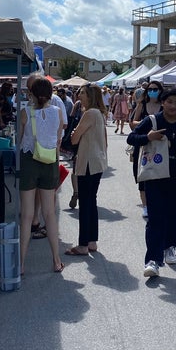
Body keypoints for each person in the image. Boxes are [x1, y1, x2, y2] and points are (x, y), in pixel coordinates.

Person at [127, 88, 176, 277]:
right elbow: (132, 138)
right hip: (154, 176)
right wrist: (148, 137)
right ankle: (153, 259)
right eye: (169, 101)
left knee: (173, 216)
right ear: (162, 103)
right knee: (155, 218)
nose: (173, 105)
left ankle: (170, 246)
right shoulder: (152, 121)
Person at [18, 77, 65, 275]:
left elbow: (19, 140)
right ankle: (56, 260)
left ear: (31, 94)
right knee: (50, 213)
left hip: (30, 161)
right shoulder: (57, 113)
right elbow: (58, 140)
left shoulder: (25, 113)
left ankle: (20, 265)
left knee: (28, 215)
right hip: (50, 161)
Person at [65, 84, 108, 256]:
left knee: (85, 202)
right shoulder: (99, 113)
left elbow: (74, 139)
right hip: (96, 162)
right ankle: (91, 241)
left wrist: (76, 132)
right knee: (91, 201)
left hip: (88, 162)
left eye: (82, 93)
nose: (79, 95)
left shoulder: (89, 113)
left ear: (90, 96)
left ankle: (83, 243)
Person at [130, 80, 164, 218]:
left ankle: (156, 202)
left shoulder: (163, 105)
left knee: (158, 173)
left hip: (159, 144)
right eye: (150, 89)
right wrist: (149, 123)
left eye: (155, 89)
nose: (152, 91)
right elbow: (133, 123)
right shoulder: (142, 105)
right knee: (141, 174)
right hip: (143, 142)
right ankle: (145, 206)